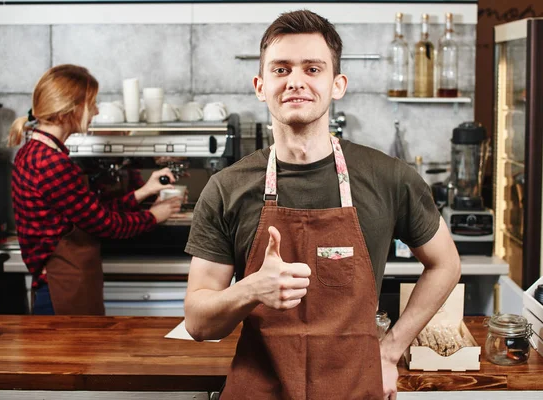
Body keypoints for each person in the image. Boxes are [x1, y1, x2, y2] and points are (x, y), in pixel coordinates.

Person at [183, 10, 461, 400]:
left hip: (355, 390)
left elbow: (446, 263)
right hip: (259, 391)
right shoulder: (226, 188)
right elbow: (198, 323)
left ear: (338, 84)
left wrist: (390, 350)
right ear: (260, 86)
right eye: (281, 70)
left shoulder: (390, 178)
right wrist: (250, 290)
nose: (296, 81)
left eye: (312, 69)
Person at [8, 64, 182, 316]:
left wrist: (142, 192)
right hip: (62, 288)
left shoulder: (33, 152)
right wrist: (155, 216)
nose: (96, 111)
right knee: (77, 354)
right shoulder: (52, 163)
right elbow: (105, 224)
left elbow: (87, 210)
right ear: (71, 109)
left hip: (58, 282)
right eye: (92, 104)